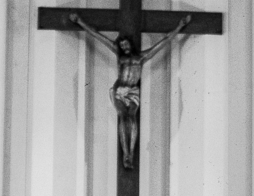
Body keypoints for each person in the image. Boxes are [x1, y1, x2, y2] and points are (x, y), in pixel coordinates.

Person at [69, 13, 191, 168]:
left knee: (131, 117)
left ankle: (130, 153)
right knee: (122, 116)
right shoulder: (118, 52)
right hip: (119, 89)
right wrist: (80, 21)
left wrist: (180, 26)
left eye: (126, 44)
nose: (124, 47)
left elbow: (165, 41)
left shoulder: (141, 56)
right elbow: (96, 35)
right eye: (122, 45)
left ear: (131, 44)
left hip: (133, 91)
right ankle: (125, 151)